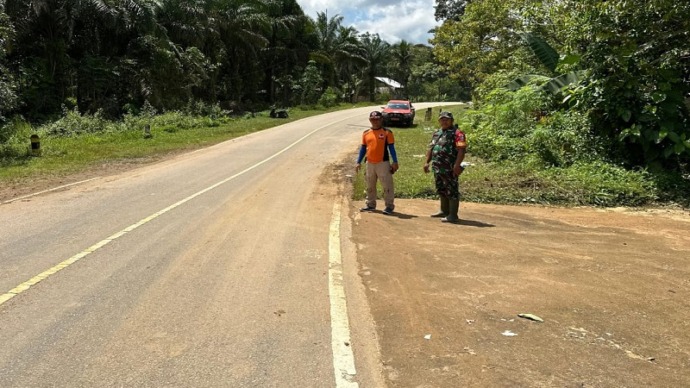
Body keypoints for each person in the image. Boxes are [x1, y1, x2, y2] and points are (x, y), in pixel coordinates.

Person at [423, 111, 467, 223]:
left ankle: (453, 215)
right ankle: (444, 210)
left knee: (451, 190)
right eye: (442, 119)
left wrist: (457, 165)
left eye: (447, 119)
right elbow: (431, 149)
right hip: (438, 167)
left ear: (452, 121)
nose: (444, 121)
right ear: (439, 121)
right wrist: (426, 162)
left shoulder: (458, 134)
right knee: (441, 188)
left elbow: (461, 150)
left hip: (450, 168)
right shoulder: (437, 133)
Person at [356, 111, 399, 215]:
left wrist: (395, 161)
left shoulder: (387, 132)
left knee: (387, 184)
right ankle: (370, 204)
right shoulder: (366, 133)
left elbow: (391, 148)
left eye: (377, 119)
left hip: (382, 163)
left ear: (381, 119)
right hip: (370, 163)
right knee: (369, 184)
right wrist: (358, 162)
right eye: (372, 119)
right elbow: (363, 148)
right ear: (370, 120)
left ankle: (389, 206)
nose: (375, 122)